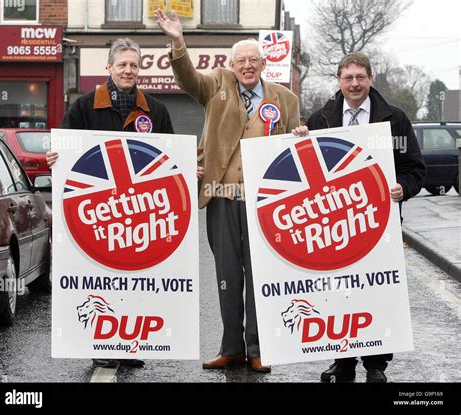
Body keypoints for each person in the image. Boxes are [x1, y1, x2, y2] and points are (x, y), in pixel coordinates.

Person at [156, 9, 308, 373]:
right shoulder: (216, 84)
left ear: (264, 63)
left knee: (260, 276)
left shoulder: (286, 99)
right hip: (221, 194)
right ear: (231, 64)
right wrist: (178, 42)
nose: (247, 66)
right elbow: (188, 78)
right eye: (241, 60)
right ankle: (231, 348)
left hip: (265, 204)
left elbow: (292, 151)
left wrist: (300, 135)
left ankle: (257, 349)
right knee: (228, 274)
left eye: (254, 60)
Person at [47, 37, 174, 369]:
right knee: (101, 276)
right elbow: (67, 149)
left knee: (134, 276)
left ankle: (129, 343)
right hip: (98, 211)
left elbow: (171, 156)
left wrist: (188, 168)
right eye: (122, 65)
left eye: (134, 65)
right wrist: (55, 157)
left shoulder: (156, 110)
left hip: (139, 212)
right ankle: (103, 342)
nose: (128, 70)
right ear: (109, 67)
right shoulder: (84, 107)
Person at [306, 52, 426, 383]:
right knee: (336, 291)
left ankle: (376, 364)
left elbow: (415, 168)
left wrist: (404, 186)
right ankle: (342, 361)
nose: (355, 83)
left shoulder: (395, 119)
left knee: (376, 290)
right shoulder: (321, 120)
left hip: (379, 225)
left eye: (361, 77)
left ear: (370, 79)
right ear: (339, 81)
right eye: (349, 78)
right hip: (335, 225)